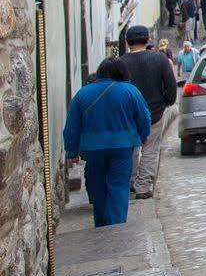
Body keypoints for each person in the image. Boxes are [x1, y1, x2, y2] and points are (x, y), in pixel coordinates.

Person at [63, 57, 152, 227]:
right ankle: (116, 225)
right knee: (118, 186)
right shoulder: (130, 91)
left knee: (98, 187)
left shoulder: (83, 93)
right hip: (122, 147)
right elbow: (144, 118)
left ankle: (102, 223)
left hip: (92, 149)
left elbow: (72, 126)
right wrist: (143, 136)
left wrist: (71, 151)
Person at [115, 26, 177, 200]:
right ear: (148, 40)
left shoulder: (120, 63)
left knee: (132, 149)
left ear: (127, 42)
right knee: (150, 149)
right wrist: (165, 102)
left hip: (128, 115)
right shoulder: (159, 59)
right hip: (154, 112)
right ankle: (143, 186)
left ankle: (131, 182)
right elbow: (171, 88)